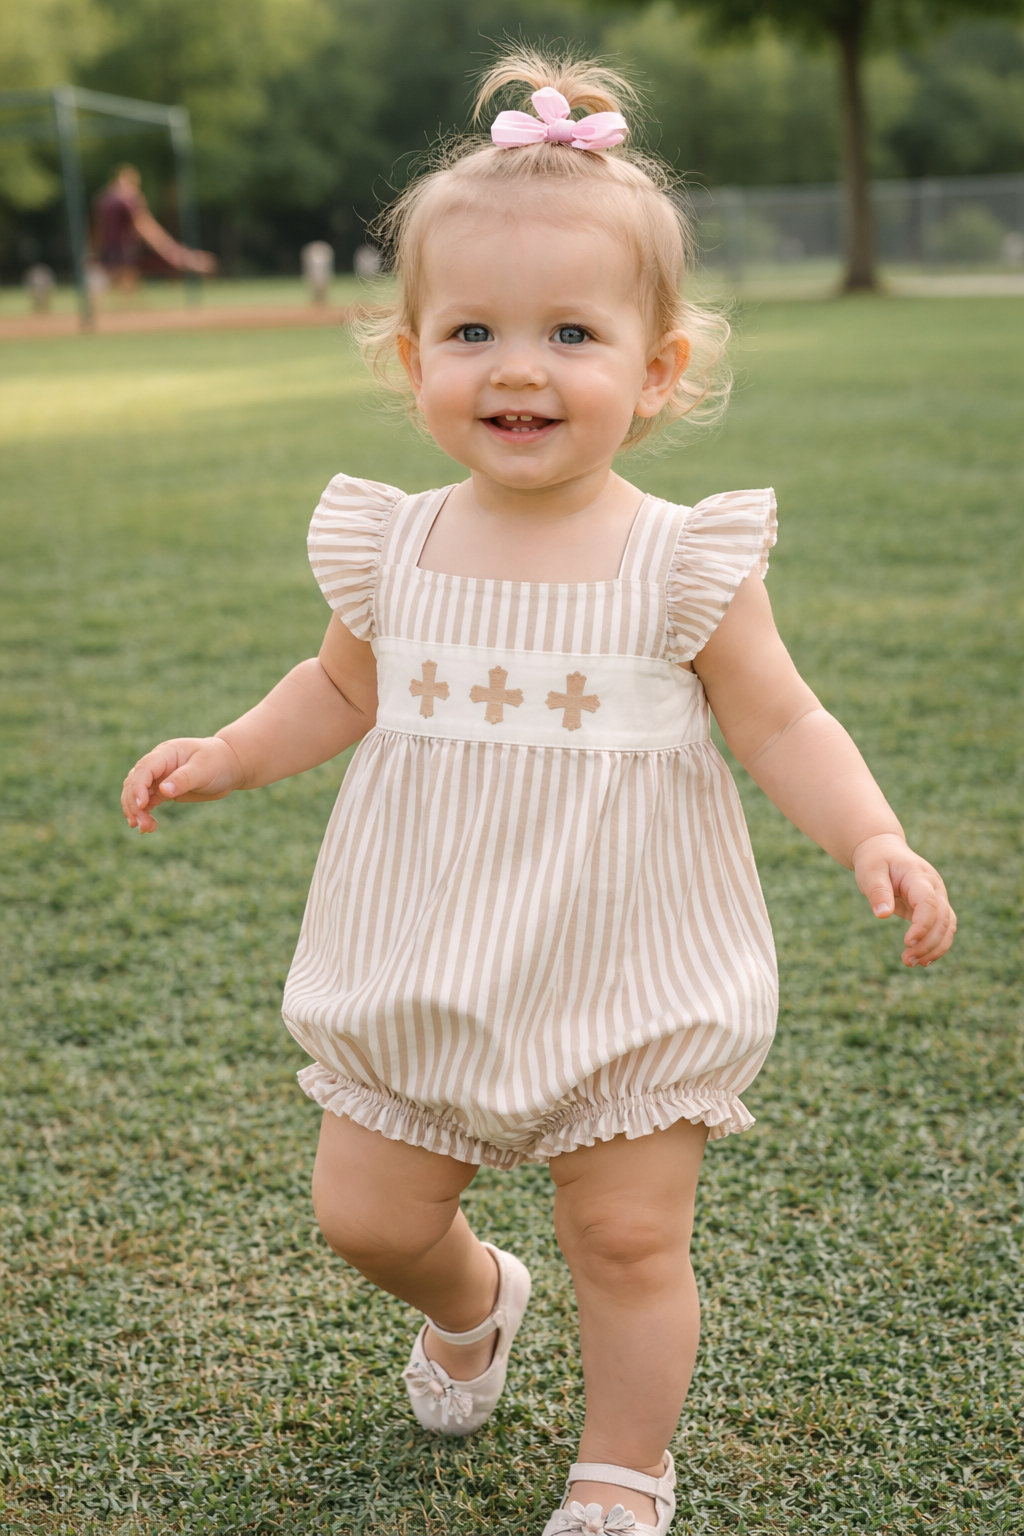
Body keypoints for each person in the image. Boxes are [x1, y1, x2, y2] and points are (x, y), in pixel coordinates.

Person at [120, 49, 956, 1536]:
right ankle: (477, 1297)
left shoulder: (682, 558)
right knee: (365, 1217)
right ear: (409, 357)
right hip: (428, 943)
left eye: (572, 331)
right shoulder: (393, 547)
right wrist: (232, 750)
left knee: (629, 1235)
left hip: (629, 953)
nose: (518, 367)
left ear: (656, 370)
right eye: (473, 330)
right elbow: (340, 692)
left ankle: (622, 1467)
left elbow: (780, 718)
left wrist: (872, 831)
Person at [92, 164, 216, 295]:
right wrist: (167, 247)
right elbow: (143, 224)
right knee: (122, 276)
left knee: (116, 275)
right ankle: (123, 307)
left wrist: (95, 246)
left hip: (109, 245)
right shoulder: (129, 198)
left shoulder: (104, 199)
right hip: (124, 245)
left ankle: (119, 306)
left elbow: (97, 226)